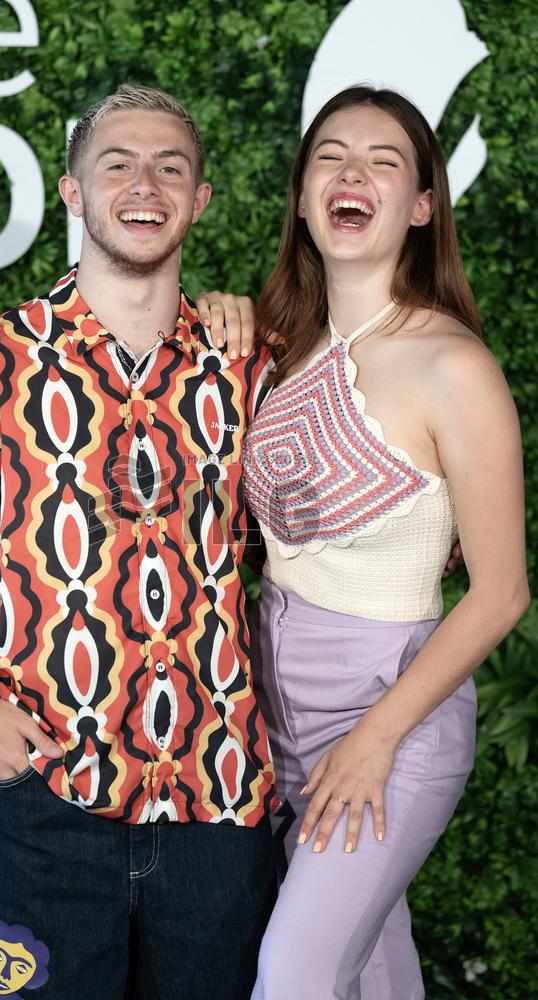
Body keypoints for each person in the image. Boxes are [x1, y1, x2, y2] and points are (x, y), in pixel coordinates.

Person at [0, 85, 278, 1000]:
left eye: (171, 167)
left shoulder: (252, 365)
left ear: (202, 198)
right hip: (42, 807)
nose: (146, 184)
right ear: (70, 192)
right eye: (118, 164)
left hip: (219, 802)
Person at [198, 86, 529, 999]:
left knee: (294, 974)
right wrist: (228, 316)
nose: (353, 173)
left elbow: (501, 593)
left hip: (392, 711)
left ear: (422, 207)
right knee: (371, 966)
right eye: (330, 156)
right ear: (303, 196)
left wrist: (377, 737)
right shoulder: (275, 344)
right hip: (272, 709)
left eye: (385, 161)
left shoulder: (451, 365)